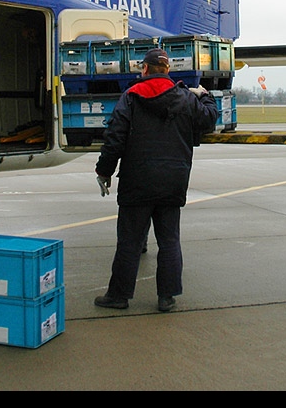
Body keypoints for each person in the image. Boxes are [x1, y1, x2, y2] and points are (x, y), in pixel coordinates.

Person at [93, 47, 218, 313]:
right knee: (169, 240)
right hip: (173, 180)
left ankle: (119, 296)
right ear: (168, 70)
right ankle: (167, 297)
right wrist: (205, 96)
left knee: (129, 241)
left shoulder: (131, 97)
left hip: (136, 181)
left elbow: (114, 139)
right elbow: (209, 120)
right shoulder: (185, 98)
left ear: (145, 69)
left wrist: (104, 171)